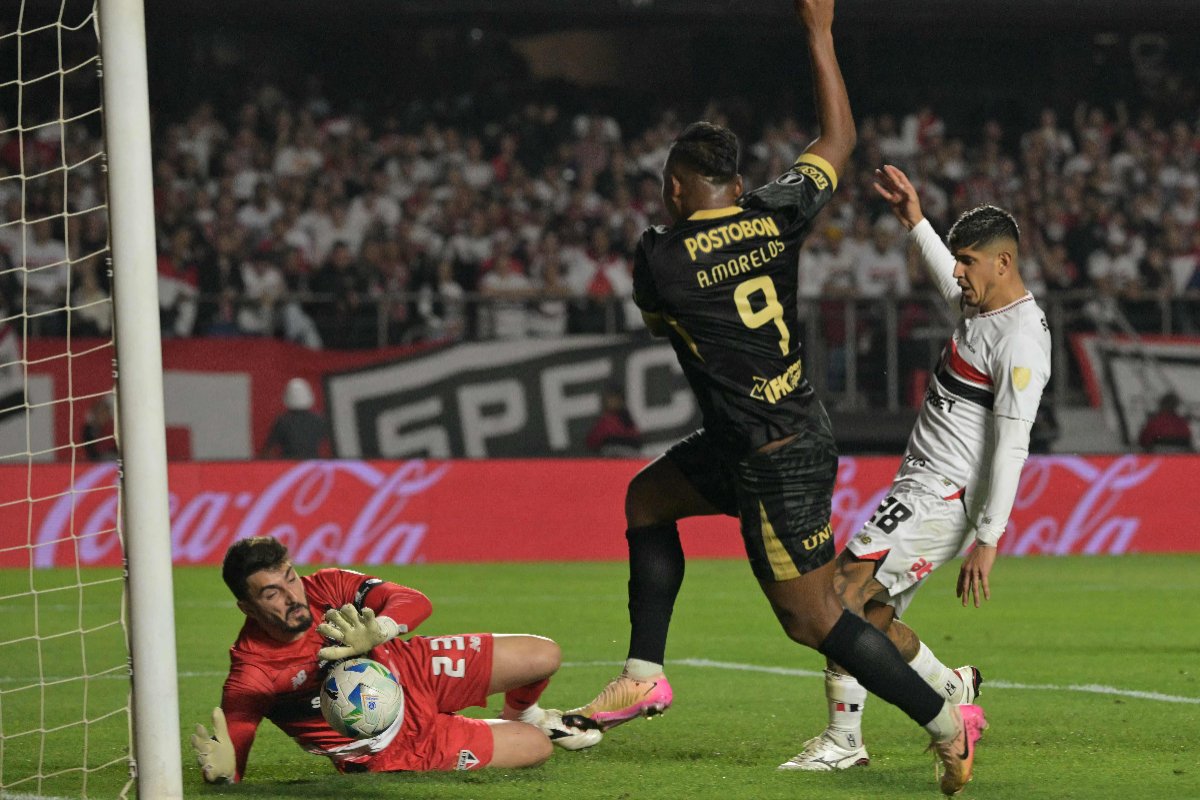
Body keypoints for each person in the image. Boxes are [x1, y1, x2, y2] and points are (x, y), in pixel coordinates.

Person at [565, 2, 985, 795]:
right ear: (735, 184)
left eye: (666, 187)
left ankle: (944, 719)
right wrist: (819, 33)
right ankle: (643, 676)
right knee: (648, 497)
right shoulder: (774, 214)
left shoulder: (661, 259)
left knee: (814, 618)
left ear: (677, 189)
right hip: (767, 433)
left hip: (771, 454)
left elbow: (662, 321)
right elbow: (838, 142)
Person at [783, 164, 1051, 771]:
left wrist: (989, 540)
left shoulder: (1020, 343)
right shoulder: (985, 310)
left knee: (838, 597)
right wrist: (914, 221)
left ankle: (845, 740)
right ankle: (951, 686)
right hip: (921, 485)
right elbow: (945, 282)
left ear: (1003, 263)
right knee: (873, 619)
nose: (957, 272)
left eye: (968, 261)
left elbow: (1013, 446)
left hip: (941, 495)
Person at [189, 536, 600, 785]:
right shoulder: (253, 675)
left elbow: (414, 601)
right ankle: (511, 730)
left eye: (290, 577)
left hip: (413, 667)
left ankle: (523, 713)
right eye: (271, 593)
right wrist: (223, 774)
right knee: (536, 748)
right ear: (247, 608)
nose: (292, 596)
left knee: (544, 654)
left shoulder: (326, 586)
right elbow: (232, 760)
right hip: (394, 745)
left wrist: (380, 630)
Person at [259, 378, 330, 459]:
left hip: (289, 464)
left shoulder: (282, 421)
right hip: (312, 463)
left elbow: (269, 448)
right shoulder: (319, 420)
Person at [585, 384, 643, 457]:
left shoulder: (621, 420)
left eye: (612, 398)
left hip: (624, 458)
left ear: (620, 400)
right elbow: (591, 441)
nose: (609, 401)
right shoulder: (608, 420)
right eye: (608, 399)